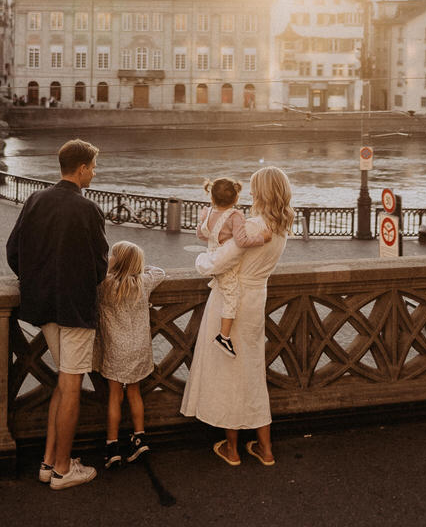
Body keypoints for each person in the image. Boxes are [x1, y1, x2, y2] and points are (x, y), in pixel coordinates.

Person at [5, 139, 109, 491]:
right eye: (93, 167)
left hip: (43, 306)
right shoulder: (89, 210)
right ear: (81, 169)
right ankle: (64, 470)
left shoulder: (35, 200)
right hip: (75, 310)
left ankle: (48, 462)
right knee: (72, 386)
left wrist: (36, 281)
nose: (94, 173)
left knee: (64, 384)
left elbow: (13, 251)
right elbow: (100, 268)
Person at [181, 165, 294, 468]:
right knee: (253, 372)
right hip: (256, 299)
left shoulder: (253, 226)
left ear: (262, 192)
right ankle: (265, 449)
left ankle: (232, 450)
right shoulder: (281, 228)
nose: (252, 193)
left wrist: (200, 257)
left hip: (231, 302)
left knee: (230, 374)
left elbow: (214, 264)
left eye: (255, 188)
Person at [96, 240, 165, 468]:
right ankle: (139, 438)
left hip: (115, 350)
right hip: (139, 349)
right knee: (135, 393)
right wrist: (140, 270)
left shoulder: (105, 285)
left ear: (116, 261)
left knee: (115, 396)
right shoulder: (143, 283)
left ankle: (112, 445)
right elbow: (159, 272)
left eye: (112, 255)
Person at [195, 177, 270, 358]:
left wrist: (205, 223)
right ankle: (224, 336)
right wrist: (262, 238)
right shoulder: (235, 216)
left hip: (212, 257)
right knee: (231, 297)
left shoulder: (208, 213)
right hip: (226, 263)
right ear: (236, 198)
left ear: (212, 197)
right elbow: (242, 241)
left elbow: (202, 235)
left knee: (226, 290)